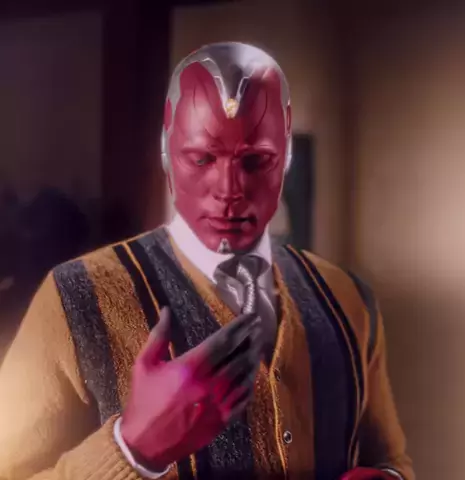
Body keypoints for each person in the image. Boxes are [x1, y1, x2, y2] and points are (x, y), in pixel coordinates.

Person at [0, 42, 414, 480]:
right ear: (166, 149)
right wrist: (133, 448)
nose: (229, 189)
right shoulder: (73, 299)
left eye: (256, 160)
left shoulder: (348, 298)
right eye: (201, 158)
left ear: (287, 152)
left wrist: (389, 478)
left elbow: (392, 460)